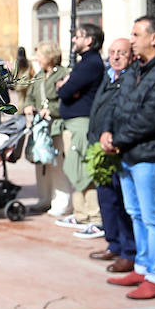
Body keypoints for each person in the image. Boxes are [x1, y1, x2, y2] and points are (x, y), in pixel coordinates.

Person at [100, 16, 155, 300]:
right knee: (135, 213)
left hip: (151, 154)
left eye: (136, 34)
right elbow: (118, 103)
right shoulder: (137, 67)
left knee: (153, 217)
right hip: (127, 153)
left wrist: (118, 140)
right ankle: (142, 265)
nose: (131, 39)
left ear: (154, 38)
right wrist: (108, 131)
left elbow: (153, 118)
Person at [87, 38, 137, 273]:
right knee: (106, 200)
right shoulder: (109, 76)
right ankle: (113, 243)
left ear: (131, 56)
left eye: (122, 53)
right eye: (113, 52)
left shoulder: (131, 79)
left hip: (117, 148)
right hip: (99, 146)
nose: (116, 57)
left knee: (122, 202)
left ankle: (129, 250)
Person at [55, 23, 105, 236]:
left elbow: (66, 91)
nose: (74, 40)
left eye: (78, 36)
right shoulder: (85, 62)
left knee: (83, 170)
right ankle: (81, 213)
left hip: (81, 123)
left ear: (89, 40)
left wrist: (65, 86)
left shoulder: (91, 63)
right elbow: (67, 89)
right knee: (74, 168)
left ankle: (95, 217)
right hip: (74, 122)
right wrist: (65, 86)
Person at [22, 42, 68, 216]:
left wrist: (51, 110)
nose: (37, 59)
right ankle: (44, 199)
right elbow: (30, 97)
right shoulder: (39, 76)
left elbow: (65, 102)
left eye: (40, 55)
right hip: (40, 127)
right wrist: (28, 106)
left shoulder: (64, 74)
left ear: (50, 56)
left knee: (57, 165)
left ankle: (61, 202)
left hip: (56, 126)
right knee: (41, 164)